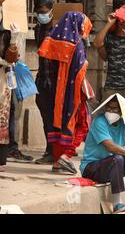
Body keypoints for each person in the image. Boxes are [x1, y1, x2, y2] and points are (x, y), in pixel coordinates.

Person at [38, 10, 92, 174]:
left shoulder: (52, 39)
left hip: (53, 91)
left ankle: (56, 161)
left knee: (57, 124)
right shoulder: (77, 44)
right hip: (72, 92)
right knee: (83, 123)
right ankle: (66, 156)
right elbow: (80, 70)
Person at [93, 0, 125, 116]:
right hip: (112, 86)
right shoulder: (109, 35)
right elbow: (96, 43)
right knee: (109, 119)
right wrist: (109, 24)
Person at [33, 0, 58, 165]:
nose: (41, 15)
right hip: (43, 79)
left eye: (44, 12)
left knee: (58, 119)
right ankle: (49, 151)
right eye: (38, 12)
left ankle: (59, 153)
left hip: (57, 81)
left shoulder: (60, 30)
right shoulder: (37, 29)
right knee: (46, 118)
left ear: (51, 11)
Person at [0, 0, 21, 172]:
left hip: (2, 77)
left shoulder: (7, 27)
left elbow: (13, 57)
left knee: (2, 116)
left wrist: (14, 38)